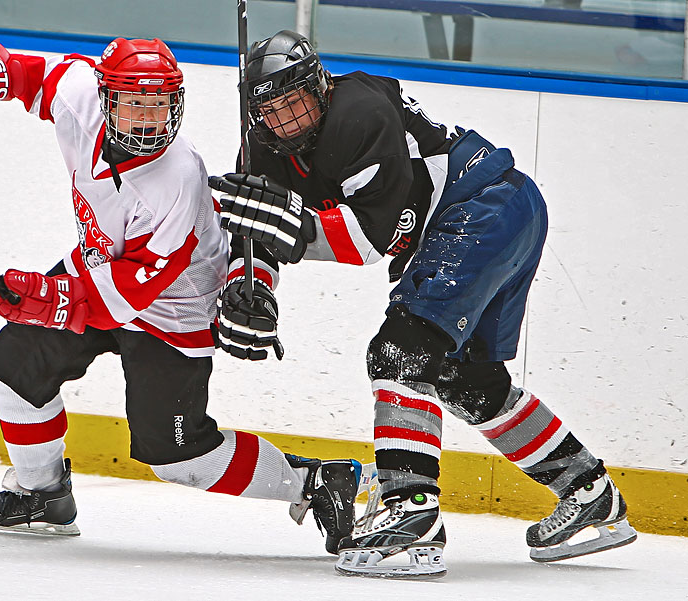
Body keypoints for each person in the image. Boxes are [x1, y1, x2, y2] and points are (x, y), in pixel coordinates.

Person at [209, 30, 637, 578]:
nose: (287, 120)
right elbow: (255, 230)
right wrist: (253, 287)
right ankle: (589, 494)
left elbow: (372, 236)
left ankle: (410, 512)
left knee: (400, 354)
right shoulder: (263, 146)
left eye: (295, 103)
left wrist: (291, 229)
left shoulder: (360, 112)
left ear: (319, 86)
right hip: (488, 215)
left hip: (484, 209)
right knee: (466, 378)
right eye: (272, 111)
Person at [0, 37, 362, 553]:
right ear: (106, 100)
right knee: (15, 372)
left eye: (158, 106)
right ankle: (43, 496)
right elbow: (31, 75)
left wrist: (50, 299)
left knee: (178, 457)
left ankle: (314, 482)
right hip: (97, 266)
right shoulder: (81, 93)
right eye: (135, 104)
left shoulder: (176, 177)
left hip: (174, 308)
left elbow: (131, 292)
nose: (148, 120)